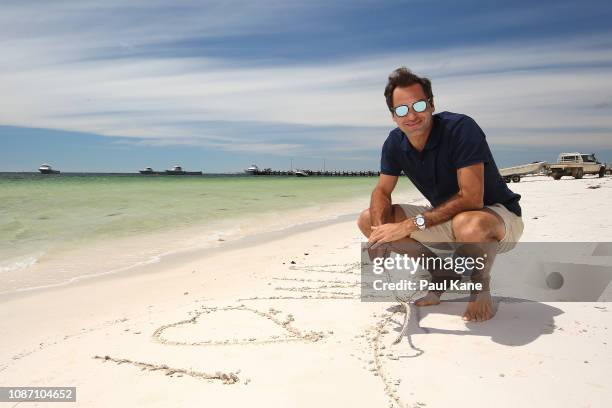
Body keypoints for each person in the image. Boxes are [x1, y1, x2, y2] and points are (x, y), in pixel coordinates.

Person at [357, 67, 524, 322]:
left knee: (468, 222)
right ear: (393, 116)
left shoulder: (460, 128)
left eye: (418, 105)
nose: (410, 115)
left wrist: (409, 225)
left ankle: (480, 288)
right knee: (368, 219)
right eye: (401, 110)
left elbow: (472, 199)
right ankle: (441, 273)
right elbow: (382, 190)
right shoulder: (394, 142)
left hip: (496, 220)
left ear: (432, 104)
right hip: (448, 220)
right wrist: (381, 232)